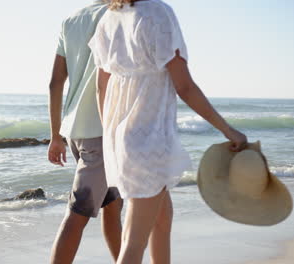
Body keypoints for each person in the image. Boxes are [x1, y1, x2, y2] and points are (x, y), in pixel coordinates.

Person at [88, 0, 248, 263]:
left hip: (121, 138)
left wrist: (111, 136)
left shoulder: (110, 17)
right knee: (133, 242)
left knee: (162, 221)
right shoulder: (157, 13)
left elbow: (100, 86)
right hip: (149, 139)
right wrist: (228, 130)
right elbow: (184, 86)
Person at [47, 1, 123, 263]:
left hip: (75, 132)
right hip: (101, 132)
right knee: (77, 213)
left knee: (112, 206)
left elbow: (55, 82)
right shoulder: (119, 14)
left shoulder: (70, 21)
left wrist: (56, 136)